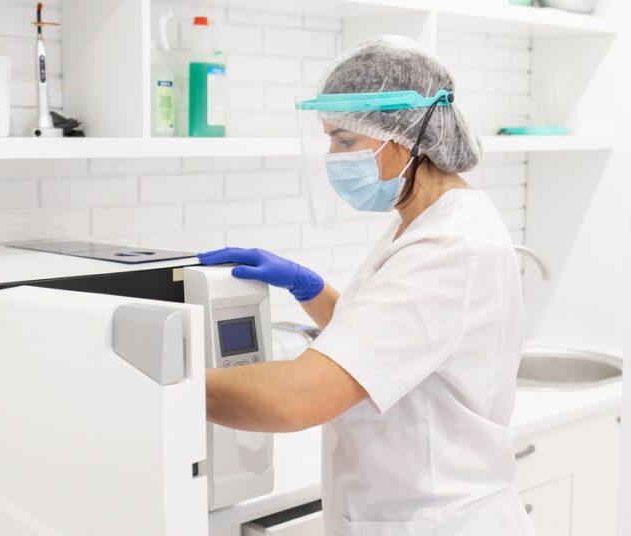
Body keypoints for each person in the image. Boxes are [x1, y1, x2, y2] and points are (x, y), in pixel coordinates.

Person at [198, 35, 535, 535]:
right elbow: (389, 341)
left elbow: (295, 398)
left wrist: (169, 382)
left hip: (437, 520)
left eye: (345, 141)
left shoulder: (448, 247)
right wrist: (310, 288)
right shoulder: (430, 220)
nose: (333, 156)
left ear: (403, 134)